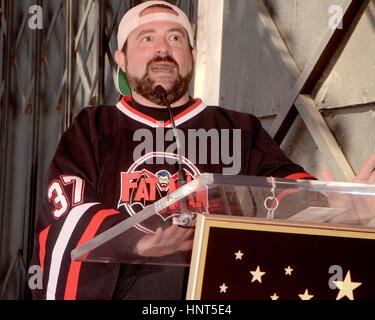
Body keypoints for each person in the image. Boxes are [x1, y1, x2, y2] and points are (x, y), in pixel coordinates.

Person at [29, 0, 375, 300]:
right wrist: (137, 239)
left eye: (175, 37)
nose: (162, 49)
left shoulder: (239, 129)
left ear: (193, 55)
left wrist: (329, 206)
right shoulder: (93, 129)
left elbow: (281, 191)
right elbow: (65, 216)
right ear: (121, 58)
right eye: (146, 37)